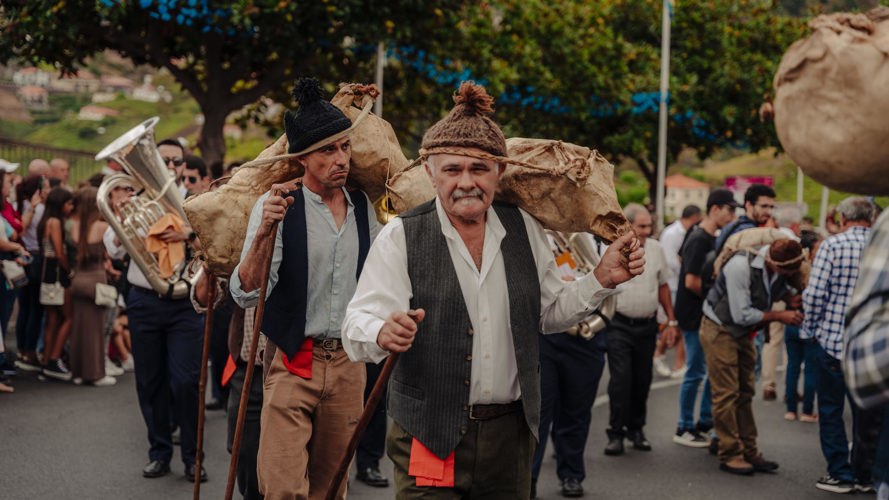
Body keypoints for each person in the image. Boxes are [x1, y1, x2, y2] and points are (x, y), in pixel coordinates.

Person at [342, 81, 644, 498]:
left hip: (510, 437)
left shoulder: (526, 231)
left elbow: (548, 314)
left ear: (499, 171)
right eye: (452, 169)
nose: (466, 181)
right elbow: (357, 320)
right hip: (429, 436)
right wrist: (380, 331)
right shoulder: (401, 237)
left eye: (478, 168)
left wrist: (600, 281)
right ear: (431, 172)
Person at [229, 77, 381, 500]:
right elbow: (245, 294)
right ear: (302, 159)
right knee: (280, 488)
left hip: (351, 365)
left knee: (331, 487)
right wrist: (264, 232)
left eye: (345, 147)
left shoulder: (366, 209)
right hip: (294, 359)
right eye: (327, 150)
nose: (340, 159)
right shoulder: (277, 205)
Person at [104, 149, 206, 482]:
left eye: (174, 161)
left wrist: (188, 235)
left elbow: (216, 243)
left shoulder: (194, 203)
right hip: (144, 300)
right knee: (150, 382)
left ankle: (193, 457)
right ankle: (159, 452)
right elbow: (114, 248)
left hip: (184, 301)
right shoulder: (137, 202)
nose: (169, 166)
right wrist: (120, 218)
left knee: (186, 382)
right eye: (162, 160)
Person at [701, 239, 804, 475]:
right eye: (787, 271)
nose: (790, 275)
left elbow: (774, 287)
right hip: (720, 328)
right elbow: (741, 314)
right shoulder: (740, 266)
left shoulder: (777, 268)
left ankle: (749, 450)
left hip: (743, 332)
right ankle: (730, 453)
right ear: (773, 262)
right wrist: (781, 315)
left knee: (745, 391)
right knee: (726, 394)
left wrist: (789, 298)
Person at [802, 196, 880, 494]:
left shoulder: (832, 246)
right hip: (872, 346)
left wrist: (812, 329)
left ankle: (839, 473)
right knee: (867, 413)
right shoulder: (882, 247)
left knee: (832, 410)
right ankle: (865, 472)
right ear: (871, 218)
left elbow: (815, 295)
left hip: (834, 343)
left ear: (843, 218)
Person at [531, 232, 609, 498]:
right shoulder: (537, 235)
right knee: (538, 414)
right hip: (546, 337)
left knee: (577, 411)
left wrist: (574, 282)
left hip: (587, 337)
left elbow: (618, 286)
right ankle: (526, 482)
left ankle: (572, 474)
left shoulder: (593, 239)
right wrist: (579, 282)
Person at [603, 203, 676, 456]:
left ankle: (637, 429)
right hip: (619, 325)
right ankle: (616, 434)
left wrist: (671, 320)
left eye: (649, 226)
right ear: (629, 225)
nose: (646, 231)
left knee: (642, 380)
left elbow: (663, 285)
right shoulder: (613, 249)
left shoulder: (656, 249)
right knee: (621, 380)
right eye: (641, 226)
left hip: (647, 326)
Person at [672, 188, 738, 447]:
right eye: (730, 210)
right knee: (696, 371)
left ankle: (704, 421)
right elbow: (691, 281)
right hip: (694, 313)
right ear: (715, 209)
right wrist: (716, 298)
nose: (733, 215)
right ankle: (684, 425)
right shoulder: (700, 238)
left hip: (703, 312)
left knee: (709, 370)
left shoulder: (711, 236)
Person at [844, 205, 889, 499]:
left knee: (838, 412)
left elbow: (864, 372)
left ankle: (850, 471)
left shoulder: (833, 245)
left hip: (833, 342)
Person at [68, 187, 115, 386]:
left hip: (77, 279)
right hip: (96, 280)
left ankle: (77, 372)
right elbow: (115, 247)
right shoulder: (102, 227)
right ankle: (95, 373)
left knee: (78, 327)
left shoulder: (73, 227)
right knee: (96, 328)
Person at [653, 204, 701, 378]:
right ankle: (659, 353)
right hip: (672, 285)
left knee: (678, 323)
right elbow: (669, 261)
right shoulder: (672, 234)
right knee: (672, 322)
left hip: (679, 285)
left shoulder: (684, 233)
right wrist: (689, 266)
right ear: (694, 217)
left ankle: (677, 362)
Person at [36, 187, 75, 382]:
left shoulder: (45, 220)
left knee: (52, 318)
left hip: (47, 273)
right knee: (69, 317)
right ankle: (54, 358)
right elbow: (59, 253)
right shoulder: (55, 222)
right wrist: (70, 270)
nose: (71, 207)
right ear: (60, 204)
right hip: (58, 274)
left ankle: (46, 360)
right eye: (68, 203)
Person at [783, 229, 821, 423]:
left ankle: (790, 410)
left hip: (791, 319)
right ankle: (807, 411)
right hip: (810, 322)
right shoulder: (817, 270)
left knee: (792, 366)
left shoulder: (792, 267)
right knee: (811, 368)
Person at [13, 174, 49, 372]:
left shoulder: (20, 205)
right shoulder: (37, 208)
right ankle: (30, 351)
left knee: (25, 307)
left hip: (25, 259)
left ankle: (21, 348)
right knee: (35, 308)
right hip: (35, 258)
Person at [714, 183, 776, 253]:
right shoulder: (749, 232)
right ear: (748, 205)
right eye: (764, 206)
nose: (769, 212)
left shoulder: (732, 226)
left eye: (771, 207)